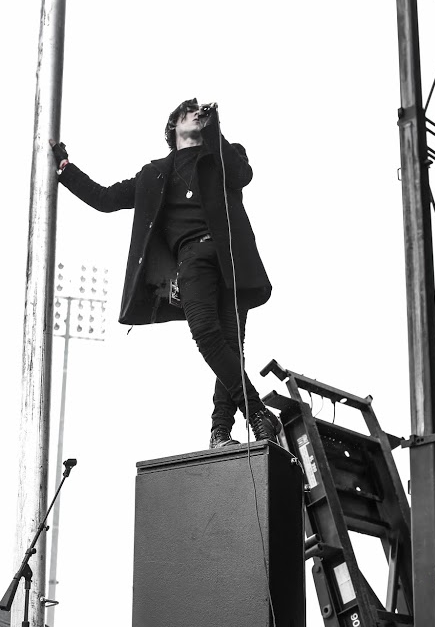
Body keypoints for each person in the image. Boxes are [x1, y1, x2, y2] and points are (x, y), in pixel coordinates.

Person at [50, 99, 280, 448]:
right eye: (189, 112)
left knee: (232, 347)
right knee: (206, 334)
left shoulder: (222, 153)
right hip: (192, 260)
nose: (197, 115)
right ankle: (257, 412)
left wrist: (215, 130)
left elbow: (241, 175)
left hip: (231, 260)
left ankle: (220, 431)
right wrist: (66, 169)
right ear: (173, 126)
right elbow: (105, 198)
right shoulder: (154, 174)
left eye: (200, 113)